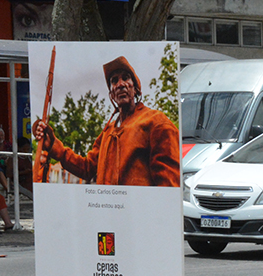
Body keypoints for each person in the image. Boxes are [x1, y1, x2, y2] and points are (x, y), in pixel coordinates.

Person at [32, 56, 180, 187]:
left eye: (125, 78)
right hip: (108, 211)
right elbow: (87, 168)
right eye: (114, 81)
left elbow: (169, 186)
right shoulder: (108, 131)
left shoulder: (156, 122)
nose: (120, 84)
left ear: (135, 88)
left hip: (138, 213)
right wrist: (53, 145)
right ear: (112, 94)